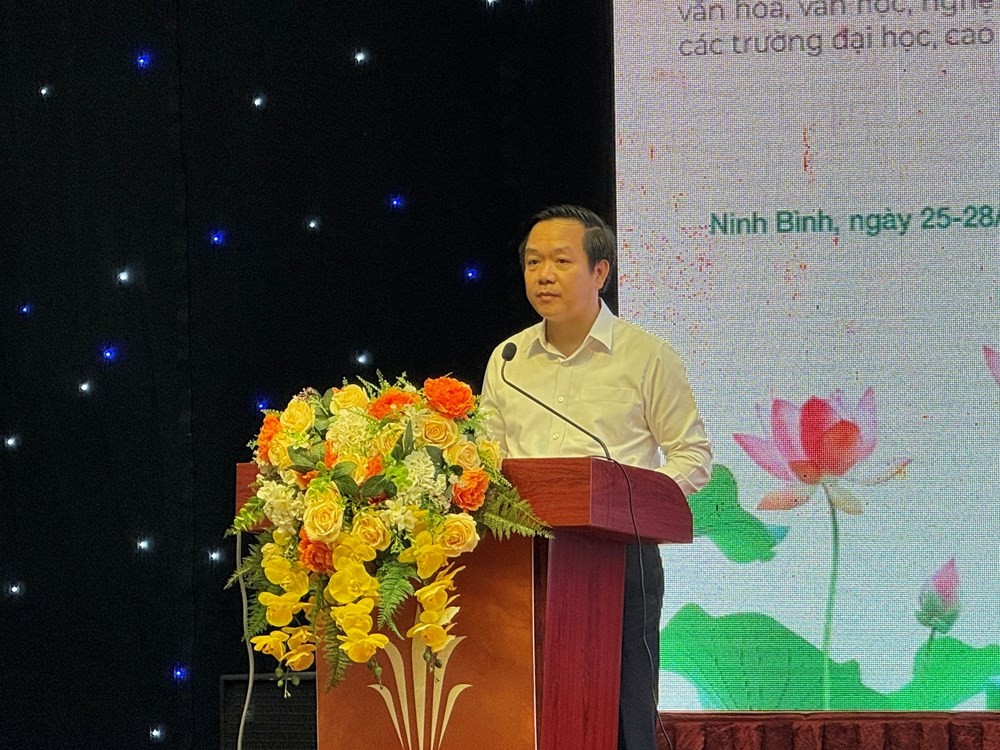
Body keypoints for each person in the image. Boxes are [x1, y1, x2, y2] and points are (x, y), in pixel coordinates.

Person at [480, 204, 712, 750]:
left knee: (622, 715)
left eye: (561, 261)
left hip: (619, 560)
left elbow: (692, 456)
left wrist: (633, 506)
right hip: (521, 561)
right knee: (522, 708)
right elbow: (487, 459)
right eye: (533, 262)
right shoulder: (508, 359)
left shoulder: (646, 357)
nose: (544, 275)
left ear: (599, 271)